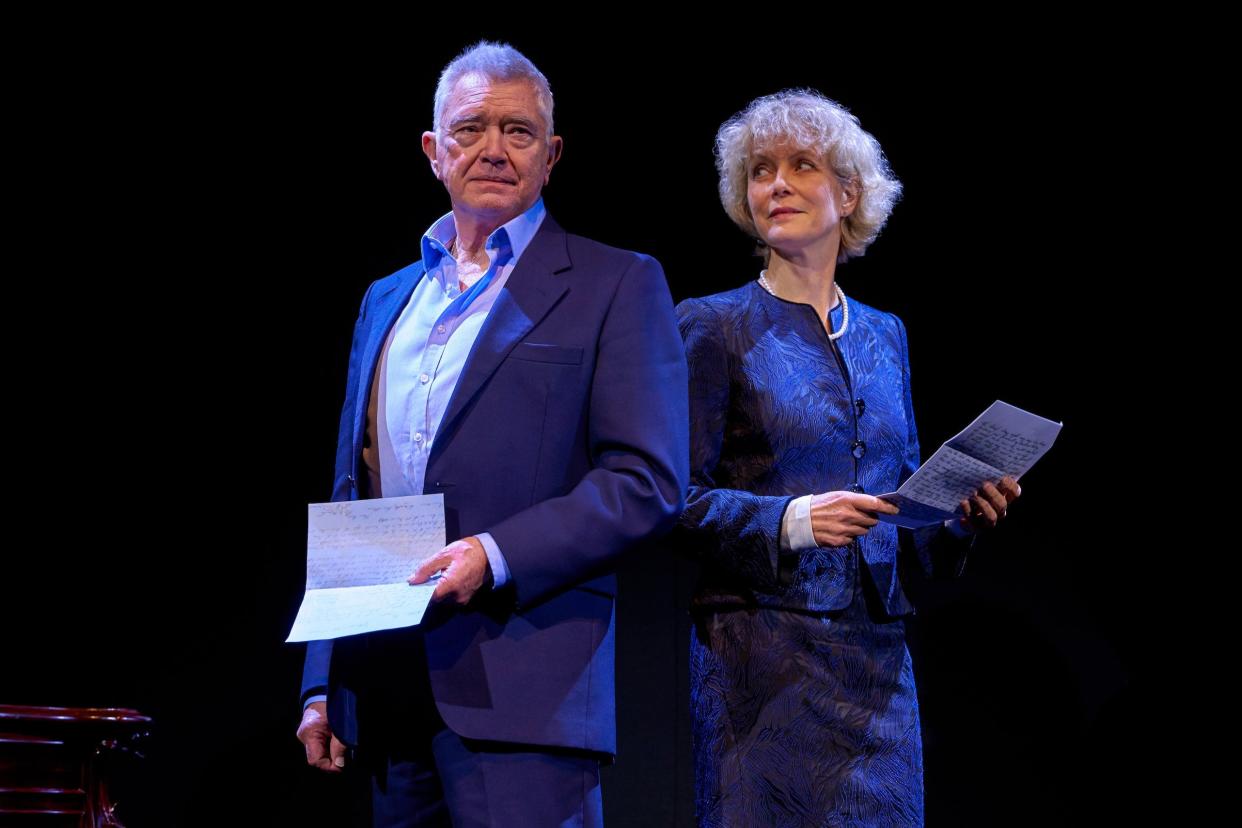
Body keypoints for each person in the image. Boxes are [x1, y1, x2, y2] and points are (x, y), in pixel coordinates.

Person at [295, 41, 688, 827]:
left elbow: (646, 481)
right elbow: (357, 488)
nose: (495, 150)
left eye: (519, 131)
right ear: (434, 152)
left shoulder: (617, 283)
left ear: (552, 154)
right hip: (387, 686)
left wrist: (494, 555)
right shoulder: (386, 299)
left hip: (527, 693)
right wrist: (322, 678)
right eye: (472, 129)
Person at [675, 89, 1021, 826]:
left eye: (802, 165)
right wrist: (792, 521)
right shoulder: (711, 326)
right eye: (762, 169)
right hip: (761, 673)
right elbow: (670, 499)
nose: (777, 183)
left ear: (849, 192)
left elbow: (904, 517)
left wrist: (960, 519)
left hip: (877, 669)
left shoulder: (883, 334)